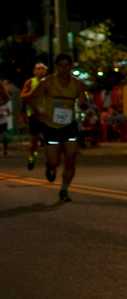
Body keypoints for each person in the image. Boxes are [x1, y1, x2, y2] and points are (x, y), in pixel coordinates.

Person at [23, 54, 89, 202]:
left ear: (71, 67)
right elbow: (32, 97)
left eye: (67, 65)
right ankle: (50, 166)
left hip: (69, 125)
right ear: (56, 67)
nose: (64, 69)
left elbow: (83, 100)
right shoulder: (48, 82)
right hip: (51, 126)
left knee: (71, 159)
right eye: (61, 66)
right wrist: (38, 113)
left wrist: (84, 105)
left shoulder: (77, 84)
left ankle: (64, 190)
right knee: (54, 161)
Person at [20, 61, 47, 170]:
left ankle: (50, 160)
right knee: (34, 139)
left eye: (43, 68)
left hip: (47, 114)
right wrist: (32, 93)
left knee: (50, 139)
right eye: (38, 69)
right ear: (34, 71)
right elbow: (22, 96)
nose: (41, 71)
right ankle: (32, 156)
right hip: (34, 114)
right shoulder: (30, 82)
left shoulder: (49, 82)